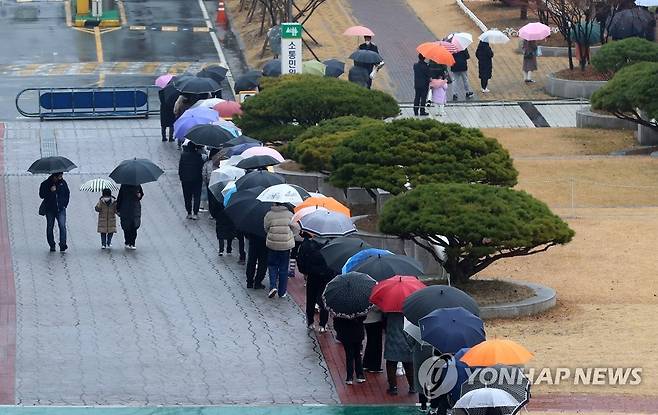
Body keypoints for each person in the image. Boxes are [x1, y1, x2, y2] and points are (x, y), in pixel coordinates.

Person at [296, 232, 332, 332]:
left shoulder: (307, 244)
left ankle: (310, 322)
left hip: (312, 275)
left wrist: (304, 271)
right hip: (326, 275)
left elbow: (300, 260)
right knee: (324, 299)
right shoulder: (331, 246)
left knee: (311, 298)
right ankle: (323, 324)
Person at [263, 203, 295, 298]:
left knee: (272, 266)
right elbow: (295, 227)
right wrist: (291, 236)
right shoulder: (290, 214)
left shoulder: (269, 214)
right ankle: (282, 292)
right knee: (283, 268)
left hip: (272, 244)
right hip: (285, 245)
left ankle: (273, 286)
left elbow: (266, 228)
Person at [383, 312, 415, 395]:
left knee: (391, 363)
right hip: (406, 340)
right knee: (409, 364)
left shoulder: (390, 312)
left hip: (392, 338)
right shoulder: (410, 311)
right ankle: (412, 386)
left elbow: (384, 321)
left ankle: (393, 387)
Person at [38, 172, 70, 252]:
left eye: (61, 176)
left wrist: (64, 204)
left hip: (61, 209)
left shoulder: (63, 183)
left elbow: (67, 193)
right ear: (54, 176)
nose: (61, 178)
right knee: (50, 227)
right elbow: (41, 195)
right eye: (59, 176)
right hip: (50, 209)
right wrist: (50, 191)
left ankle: (63, 244)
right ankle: (52, 244)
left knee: (62, 226)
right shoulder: (45, 183)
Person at [333, 315, 367, 385]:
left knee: (349, 355)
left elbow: (336, 323)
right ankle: (360, 375)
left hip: (346, 334)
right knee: (357, 354)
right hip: (358, 333)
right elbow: (363, 317)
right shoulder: (358, 308)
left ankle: (349, 377)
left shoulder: (340, 310)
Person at [178, 142, 205, 220]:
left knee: (187, 196)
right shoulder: (198, 156)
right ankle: (195, 213)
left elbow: (181, 167)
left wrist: (181, 176)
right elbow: (201, 167)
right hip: (197, 179)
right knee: (197, 196)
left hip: (185, 179)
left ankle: (189, 212)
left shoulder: (183, 156)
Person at [116, 184, 143, 250]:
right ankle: (128, 242)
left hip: (134, 209)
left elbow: (141, 194)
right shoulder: (124, 185)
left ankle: (132, 242)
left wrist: (139, 195)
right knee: (126, 226)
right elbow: (120, 197)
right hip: (126, 208)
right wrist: (118, 208)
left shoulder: (137, 185)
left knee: (134, 226)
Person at [363, 305, 384, 373]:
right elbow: (376, 308)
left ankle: (366, 363)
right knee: (376, 344)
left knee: (370, 343)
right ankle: (374, 366)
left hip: (367, 320)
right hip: (375, 320)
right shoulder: (375, 296)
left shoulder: (365, 294)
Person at [202, 148, 220, 216]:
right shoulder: (219, 163)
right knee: (216, 197)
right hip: (217, 182)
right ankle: (215, 212)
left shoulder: (207, 163)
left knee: (210, 197)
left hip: (209, 182)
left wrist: (205, 180)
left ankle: (211, 212)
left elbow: (204, 173)